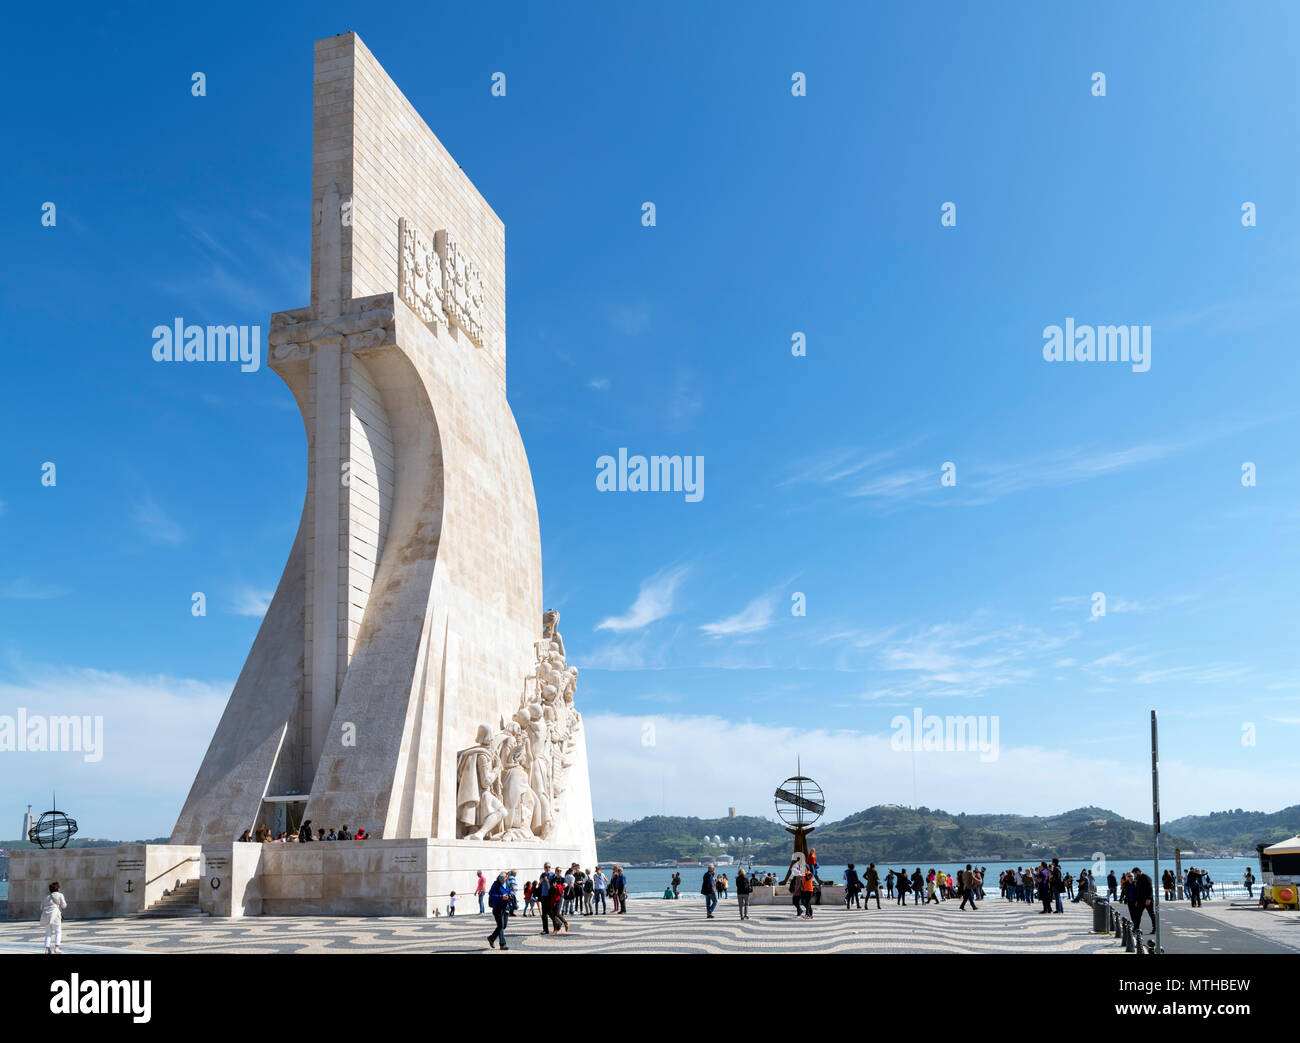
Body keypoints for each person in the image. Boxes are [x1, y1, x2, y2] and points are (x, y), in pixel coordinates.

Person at [41, 882, 67, 955]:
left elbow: (41, 907)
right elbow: (64, 906)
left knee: (48, 933)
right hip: (56, 916)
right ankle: (56, 948)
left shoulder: (46, 897)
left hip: (47, 917)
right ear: (58, 889)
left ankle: (47, 949)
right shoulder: (60, 895)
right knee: (58, 932)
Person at [487, 872, 510, 949]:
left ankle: (491, 938)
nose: (501, 879)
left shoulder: (507, 883)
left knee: (504, 925)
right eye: (500, 878)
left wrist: (509, 896)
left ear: (506, 877)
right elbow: (491, 895)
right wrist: (501, 897)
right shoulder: (496, 884)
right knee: (500, 926)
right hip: (497, 908)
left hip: (505, 908)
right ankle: (502, 944)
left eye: (503, 878)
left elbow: (509, 892)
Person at [1130, 867, 1155, 934]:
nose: (1134, 875)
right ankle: (1136, 928)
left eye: (1135, 874)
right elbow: (1137, 890)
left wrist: (1149, 898)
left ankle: (1155, 928)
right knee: (1137, 915)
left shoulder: (1146, 877)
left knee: (1151, 914)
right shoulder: (1137, 879)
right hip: (1140, 900)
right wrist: (1136, 900)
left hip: (1147, 900)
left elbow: (1150, 889)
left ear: (1138, 871)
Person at [538, 862, 554, 933]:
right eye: (546, 867)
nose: (547, 868)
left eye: (549, 867)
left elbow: (551, 887)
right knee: (544, 913)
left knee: (551, 912)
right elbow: (539, 885)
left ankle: (557, 925)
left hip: (549, 896)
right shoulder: (542, 874)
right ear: (544, 868)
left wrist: (547, 881)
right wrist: (540, 882)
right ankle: (545, 929)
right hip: (543, 895)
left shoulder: (553, 875)